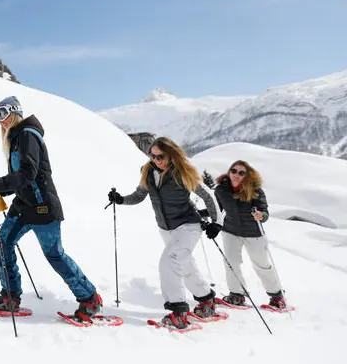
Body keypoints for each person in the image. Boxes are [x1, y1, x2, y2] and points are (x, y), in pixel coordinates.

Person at [0, 96, 103, 322]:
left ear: (15, 112)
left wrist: (0, 184)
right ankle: (10, 296)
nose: (0, 121)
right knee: (3, 242)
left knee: (55, 255)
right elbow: (22, 178)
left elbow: (29, 173)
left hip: (42, 207)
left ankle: (90, 298)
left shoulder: (28, 135)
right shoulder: (17, 137)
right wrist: (1, 190)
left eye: (3, 114)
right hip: (24, 206)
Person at [108, 136, 222, 330]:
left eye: (160, 156)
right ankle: (206, 299)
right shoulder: (148, 171)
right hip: (165, 228)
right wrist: (121, 200)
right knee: (185, 265)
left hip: (188, 225)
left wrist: (216, 223)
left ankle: (179, 312)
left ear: (170, 154)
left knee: (169, 261)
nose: (156, 160)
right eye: (152, 156)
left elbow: (208, 196)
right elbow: (139, 196)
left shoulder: (183, 172)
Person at [214, 160, 286, 309]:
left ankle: (277, 296)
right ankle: (237, 295)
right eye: (233, 171)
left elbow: (264, 210)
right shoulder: (221, 189)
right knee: (231, 262)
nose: (236, 175)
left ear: (247, 175)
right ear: (229, 171)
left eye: (241, 172)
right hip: (230, 231)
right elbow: (217, 209)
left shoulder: (255, 191)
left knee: (261, 264)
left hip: (253, 233)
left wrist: (261, 215)